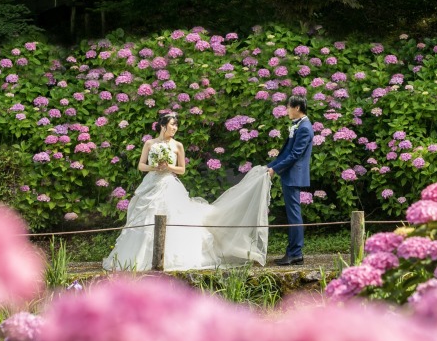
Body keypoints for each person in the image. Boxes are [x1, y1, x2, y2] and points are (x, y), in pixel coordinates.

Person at [103, 111, 271, 271]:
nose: (175, 128)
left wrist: (168, 167)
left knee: (174, 216)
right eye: (172, 125)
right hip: (151, 182)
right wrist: (154, 167)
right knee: (145, 217)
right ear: (163, 125)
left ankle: (172, 257)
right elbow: (141, 165)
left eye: (176, 125)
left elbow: (182, 169)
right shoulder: (150, 144)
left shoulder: (178, 145)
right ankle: (139, 258)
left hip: (169, 183)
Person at [267, 96, 314, 266]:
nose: (286, 110)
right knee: (293, 214)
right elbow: (287, 152)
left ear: (297, 108)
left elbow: (294, 155)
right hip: (290, 175)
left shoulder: (305, 128)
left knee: (294, 215)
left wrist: (275, 169)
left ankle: (295, 253)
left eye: (288, 107)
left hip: (294, 176)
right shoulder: (299, 125)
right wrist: (270, 166)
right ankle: (293, 252)